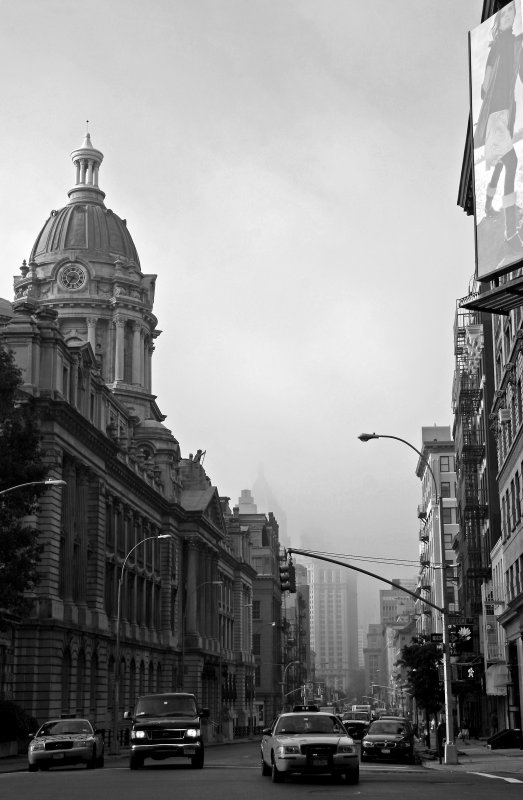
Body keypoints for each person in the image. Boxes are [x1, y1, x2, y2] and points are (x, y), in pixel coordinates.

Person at [474, 2, 523, 250]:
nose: (506, 15)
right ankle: (510, 231)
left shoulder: (516, 43)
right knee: (511, 162)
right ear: (499, 19)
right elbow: (484, 88)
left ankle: (487, 205)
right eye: (502, 12)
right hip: (496, 116)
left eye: (510, 11)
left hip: (506, 113)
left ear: (515, 14)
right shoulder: (497, 48)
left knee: (503, 163)